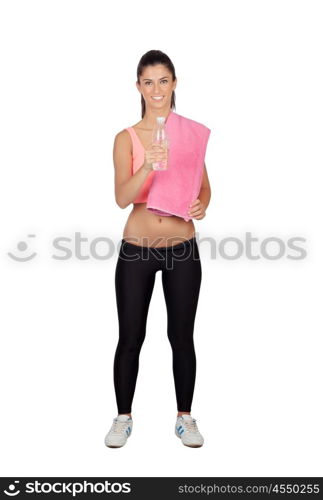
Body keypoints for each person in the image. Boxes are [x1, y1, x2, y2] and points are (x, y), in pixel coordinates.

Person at [104, 50, 211, 448]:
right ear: (138, 87)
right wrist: (147, 165)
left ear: (175, 83)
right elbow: (121, 197)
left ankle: (185, 418)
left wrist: (203, 204)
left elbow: (203, 185)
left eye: (163, 81)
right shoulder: (125, 138)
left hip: (182, 247)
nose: (156, 90)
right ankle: (122, 417)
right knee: (130, 336)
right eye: (148, 82)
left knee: (182, 336)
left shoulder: (190, 134)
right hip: (138, 248)